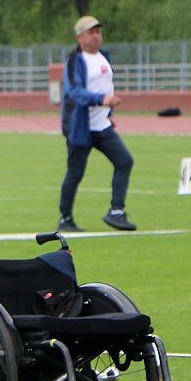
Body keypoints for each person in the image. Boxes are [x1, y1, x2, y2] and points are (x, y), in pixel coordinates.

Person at [58, 15, 136, 232]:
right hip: (81, 127)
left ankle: (116, 211)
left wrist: (109, 111)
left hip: (102, 126)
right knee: (75, 173)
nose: (96, 36)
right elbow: (74, 92)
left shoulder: (104, 56)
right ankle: (65, 218)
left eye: (98, 31)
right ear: (80, 37)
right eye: (91, 32)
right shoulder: (75, 60)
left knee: (124, 161)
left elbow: (105, 85)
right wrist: (102, 100)